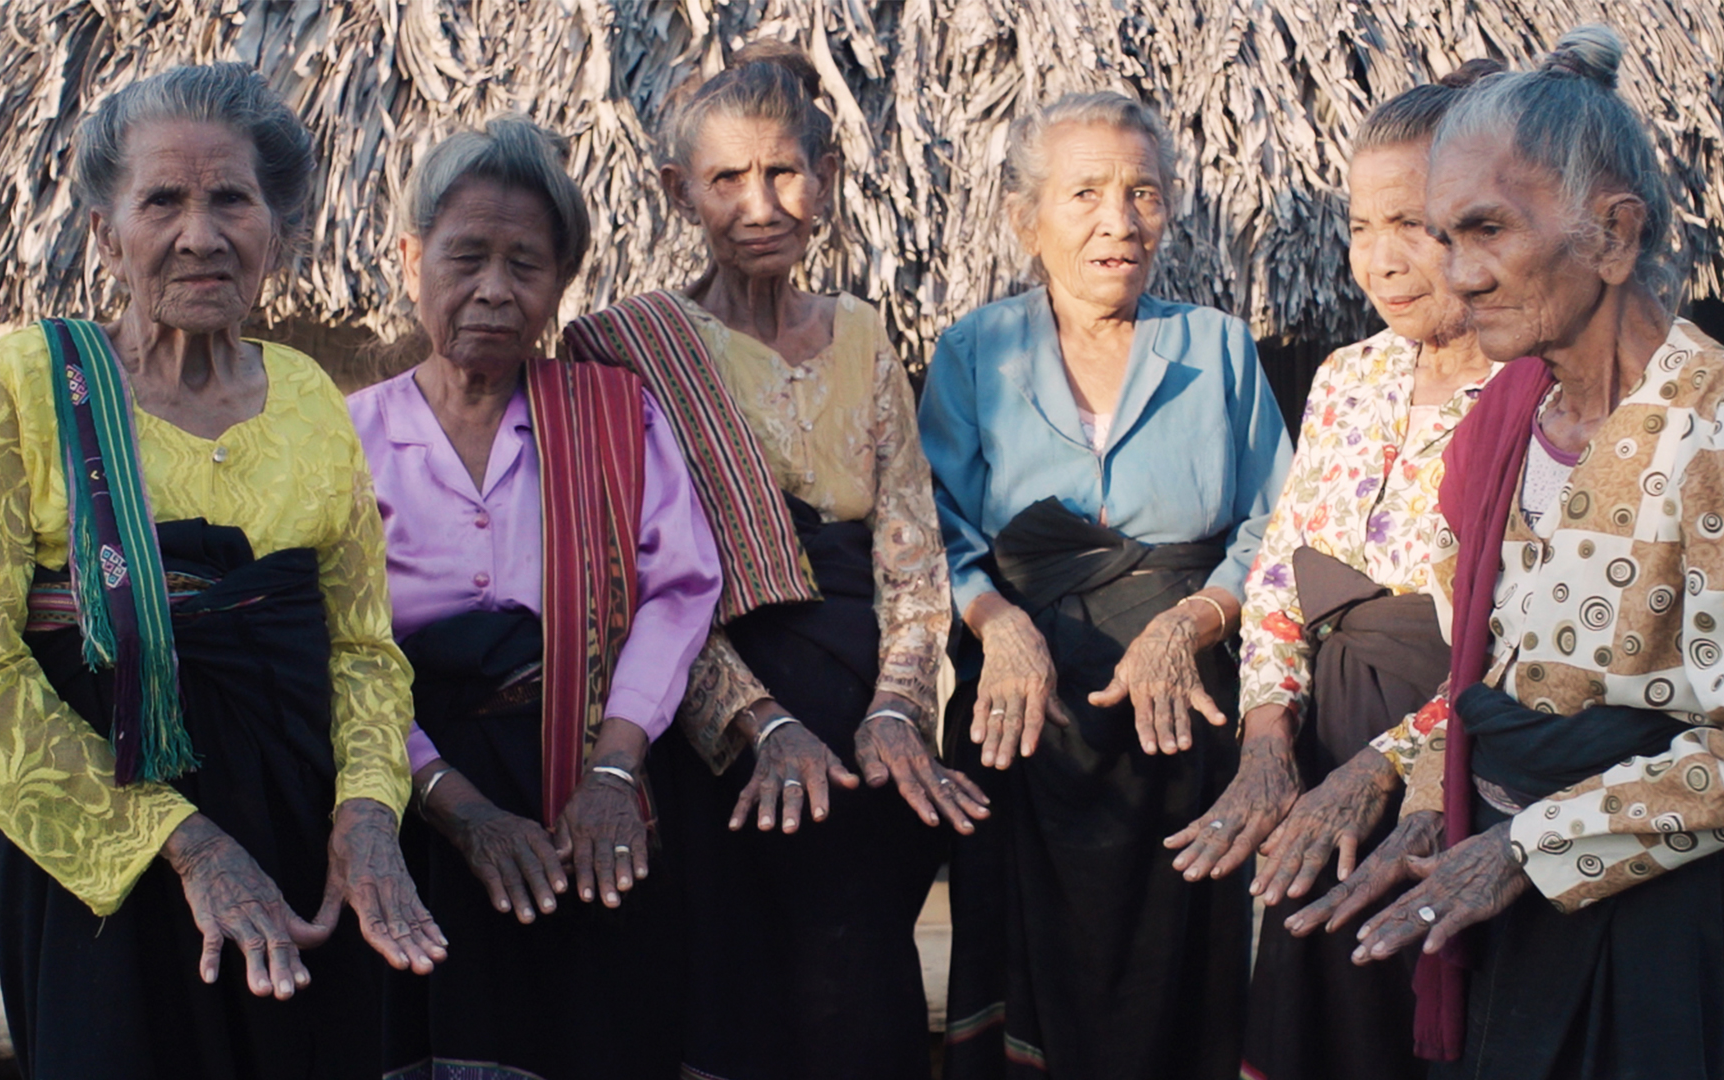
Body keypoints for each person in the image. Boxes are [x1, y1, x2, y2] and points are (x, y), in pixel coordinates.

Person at [1290, 26, 1724, 1080]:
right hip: (1499, 885)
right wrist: (1420, 789)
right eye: (1444, 235)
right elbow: (1491, 678)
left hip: (1654, 909)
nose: (1456, 274)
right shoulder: (1504, 421)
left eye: (1486, 230)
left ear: (1615, 234)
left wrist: (1531, 846)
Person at [0, 64, 444, 1080]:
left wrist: (372, 816)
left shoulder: (305, 396)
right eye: (162, 199)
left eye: (232, 200)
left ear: (278, 232)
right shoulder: (26, 385)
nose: (199, 235)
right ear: (103, 232)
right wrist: (188, 845)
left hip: (304, 843)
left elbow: (363, 650)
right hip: (104, 856)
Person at [603, 41, 981, 1080]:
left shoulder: (864, 335)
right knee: (736, 991)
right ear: (680, 193)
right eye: (727, 179)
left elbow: (909, 552)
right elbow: (634, 582)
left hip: (866, 719)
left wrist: (900, 707)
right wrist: (754, 727)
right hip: (715, 729)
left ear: (827, 181)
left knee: (860, 984)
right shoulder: (631, 350)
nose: (760, 202)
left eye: (783, 172)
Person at [920, 91, 1294, 1080]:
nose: (1118, 222)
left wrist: (1196, 616)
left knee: (1179, 979)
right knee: (1026, 967)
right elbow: (939, 531)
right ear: (1025, 218)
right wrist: (997, 623)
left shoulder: (1214, 348)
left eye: (1143, 193)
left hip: (1183, 719)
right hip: (1028, 718)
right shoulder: (972, 352)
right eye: (1085, 192)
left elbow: (1277, 524)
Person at [351, 117, 722, 1080]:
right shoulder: (346, 439)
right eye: (466, 255)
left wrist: (610, 772)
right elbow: (337, 650)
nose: (494, 289)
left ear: (560, 287)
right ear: (410, 259)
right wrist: (457, 807)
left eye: (528, 265)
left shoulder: (610, 412)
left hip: (591, 774)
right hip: (410, 780)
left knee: (599, 1032)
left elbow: (677, 589)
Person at [1159, 63, 1505, 1080]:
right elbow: (1280, 578)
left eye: (1414, 223)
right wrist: (1269, 742)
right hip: (1324, 749)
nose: (1382, 261)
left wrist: (1388, 768)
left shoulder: (1534, 395)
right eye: (1362, 227)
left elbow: (1527, 645)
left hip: (1464, 767)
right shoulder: (1349, 378)